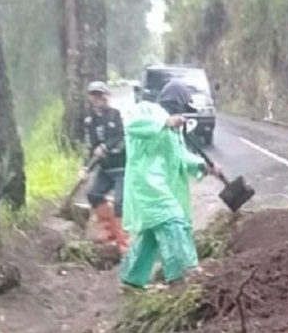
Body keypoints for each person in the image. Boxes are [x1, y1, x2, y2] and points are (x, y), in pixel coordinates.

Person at [119, 79, 222, 289]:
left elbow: (180, 156)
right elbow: (132, 125)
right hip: (146, 185)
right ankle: (183, 275)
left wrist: (204, 166)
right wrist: (165, 123)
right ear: (175, 102)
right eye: (183, 107)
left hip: (160, 186)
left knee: (151, 235)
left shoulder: (175, 131)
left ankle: (132, 279)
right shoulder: (147, 109)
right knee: (172, 221)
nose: (184, 113)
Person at [81, 80, 128, 254]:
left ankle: (124, 242)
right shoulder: (89, 121)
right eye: (94, 95)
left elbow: (118, 136)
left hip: (121, 167)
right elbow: (91, 146)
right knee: (93, 194)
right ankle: (111, 232)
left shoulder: (114, 115)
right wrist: (86, 168)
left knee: (120, 203)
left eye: (100, 95)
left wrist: (105, 147)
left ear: (106, 97)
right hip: (104, 168)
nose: (97, 99)